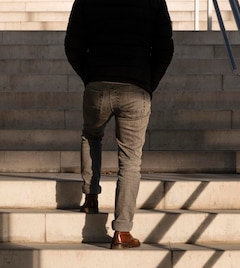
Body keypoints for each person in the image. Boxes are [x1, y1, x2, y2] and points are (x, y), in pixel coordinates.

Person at [65, 0, 174, 249]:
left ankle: (91, 196)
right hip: (136, 86)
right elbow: (165, 49)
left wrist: (91, 75)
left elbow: (72, 45)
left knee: (91, 136)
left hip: (98, 84)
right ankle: (122, 231)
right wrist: (147, 82)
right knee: (130, 159)